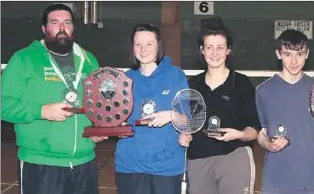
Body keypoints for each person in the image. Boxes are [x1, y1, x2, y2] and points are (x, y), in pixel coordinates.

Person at [1, 4, 104, 194]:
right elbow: (3, 104)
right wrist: (41, 111)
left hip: (85, 162)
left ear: (73, 27)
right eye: (55, 22)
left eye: (67, 22)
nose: (62, 27)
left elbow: (96, 105)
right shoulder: (23, 59)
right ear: (44, 28)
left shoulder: (89, 60)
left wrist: (96, 129)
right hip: (41, 164)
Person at [178, 17, 261, 194]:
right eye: (209, 47)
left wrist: (239, 134)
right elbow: (187, 123)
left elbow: (254, 129)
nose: (214, 53)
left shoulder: (241, 83)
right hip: (199, 160)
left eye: (220, 47)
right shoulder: (193, 84)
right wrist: (185, 136)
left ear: (228, 51)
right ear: (202, 50)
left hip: (234, 157)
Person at [114, 23, 189, 194]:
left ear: (159, 46)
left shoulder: (176, 75)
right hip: (130, 166)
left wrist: (170, 115)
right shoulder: (124, 79)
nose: (143, 49)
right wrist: (119, 128)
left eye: (149, 44)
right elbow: (118, 120)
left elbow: (187, 121)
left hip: (168, 168)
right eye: (137, 44)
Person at [255, 29, 314, 194]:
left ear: (307, 54)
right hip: (275, 182)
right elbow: (261, 133)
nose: (294, 61)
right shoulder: (263, 91)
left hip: (311, 181)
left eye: (299, 54)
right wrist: (268, 144)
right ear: (278, 54)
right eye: (288, 54)